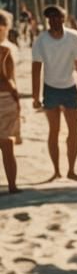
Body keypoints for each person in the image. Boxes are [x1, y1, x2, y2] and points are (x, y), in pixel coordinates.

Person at [30, 5, 77, 182]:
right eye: (51, 18)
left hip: (70, 88)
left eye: (57, 17)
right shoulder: (41, 40)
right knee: (54, 131)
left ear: (64, 18)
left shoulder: (74, 37)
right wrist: (36, 96)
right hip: (50, 89)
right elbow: (36, 68)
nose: (54, 20)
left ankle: (71, 170)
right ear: (47, 20)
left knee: (73, 131)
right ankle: (56, 170)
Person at [0, 11, 21, 192]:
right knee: (7, 145)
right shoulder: (6, 50)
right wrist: (16, 96)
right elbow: (7, 78)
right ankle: (12, 186)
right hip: (5, 98)